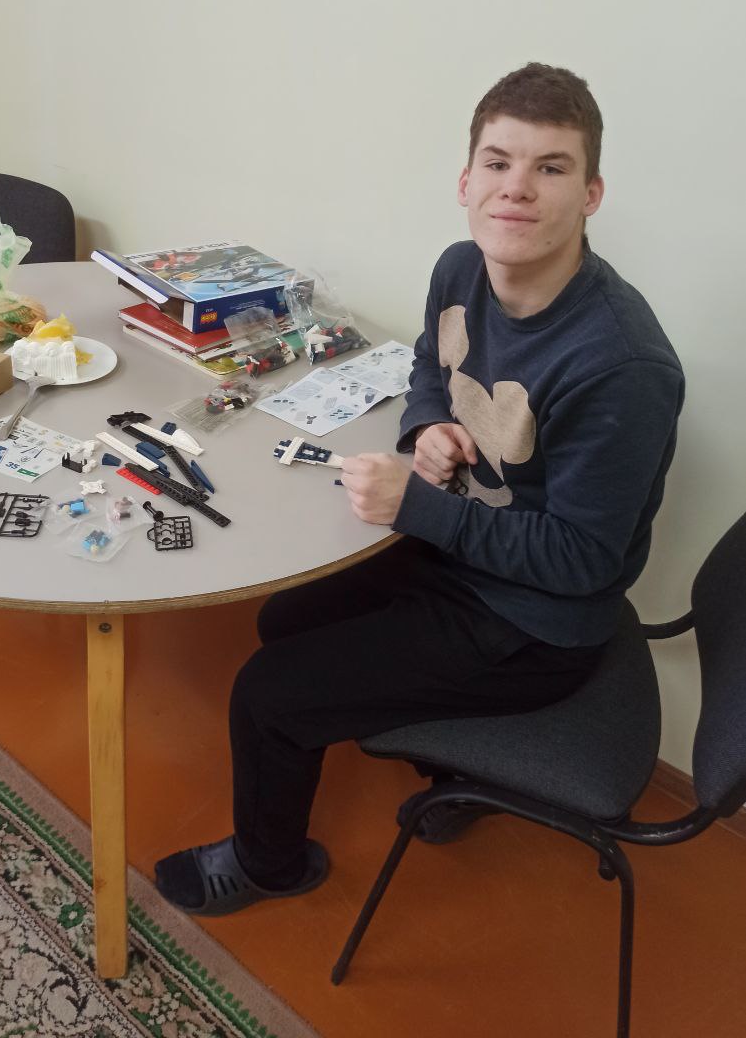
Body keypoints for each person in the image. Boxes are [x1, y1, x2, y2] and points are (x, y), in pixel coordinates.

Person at [154, 62, 685, 916]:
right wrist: (426, 427)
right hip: (458, 555)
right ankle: (452, 765)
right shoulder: (460, 268)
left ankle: (269, 866)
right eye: (498, 163)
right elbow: (429, 371)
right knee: (282, 619)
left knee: (265, 694)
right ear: (465, 181)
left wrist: (420, 507)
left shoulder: (622, 367)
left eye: (549, 168)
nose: (516, 188)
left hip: (536, 624)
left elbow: (583, 561)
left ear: (590, 194)